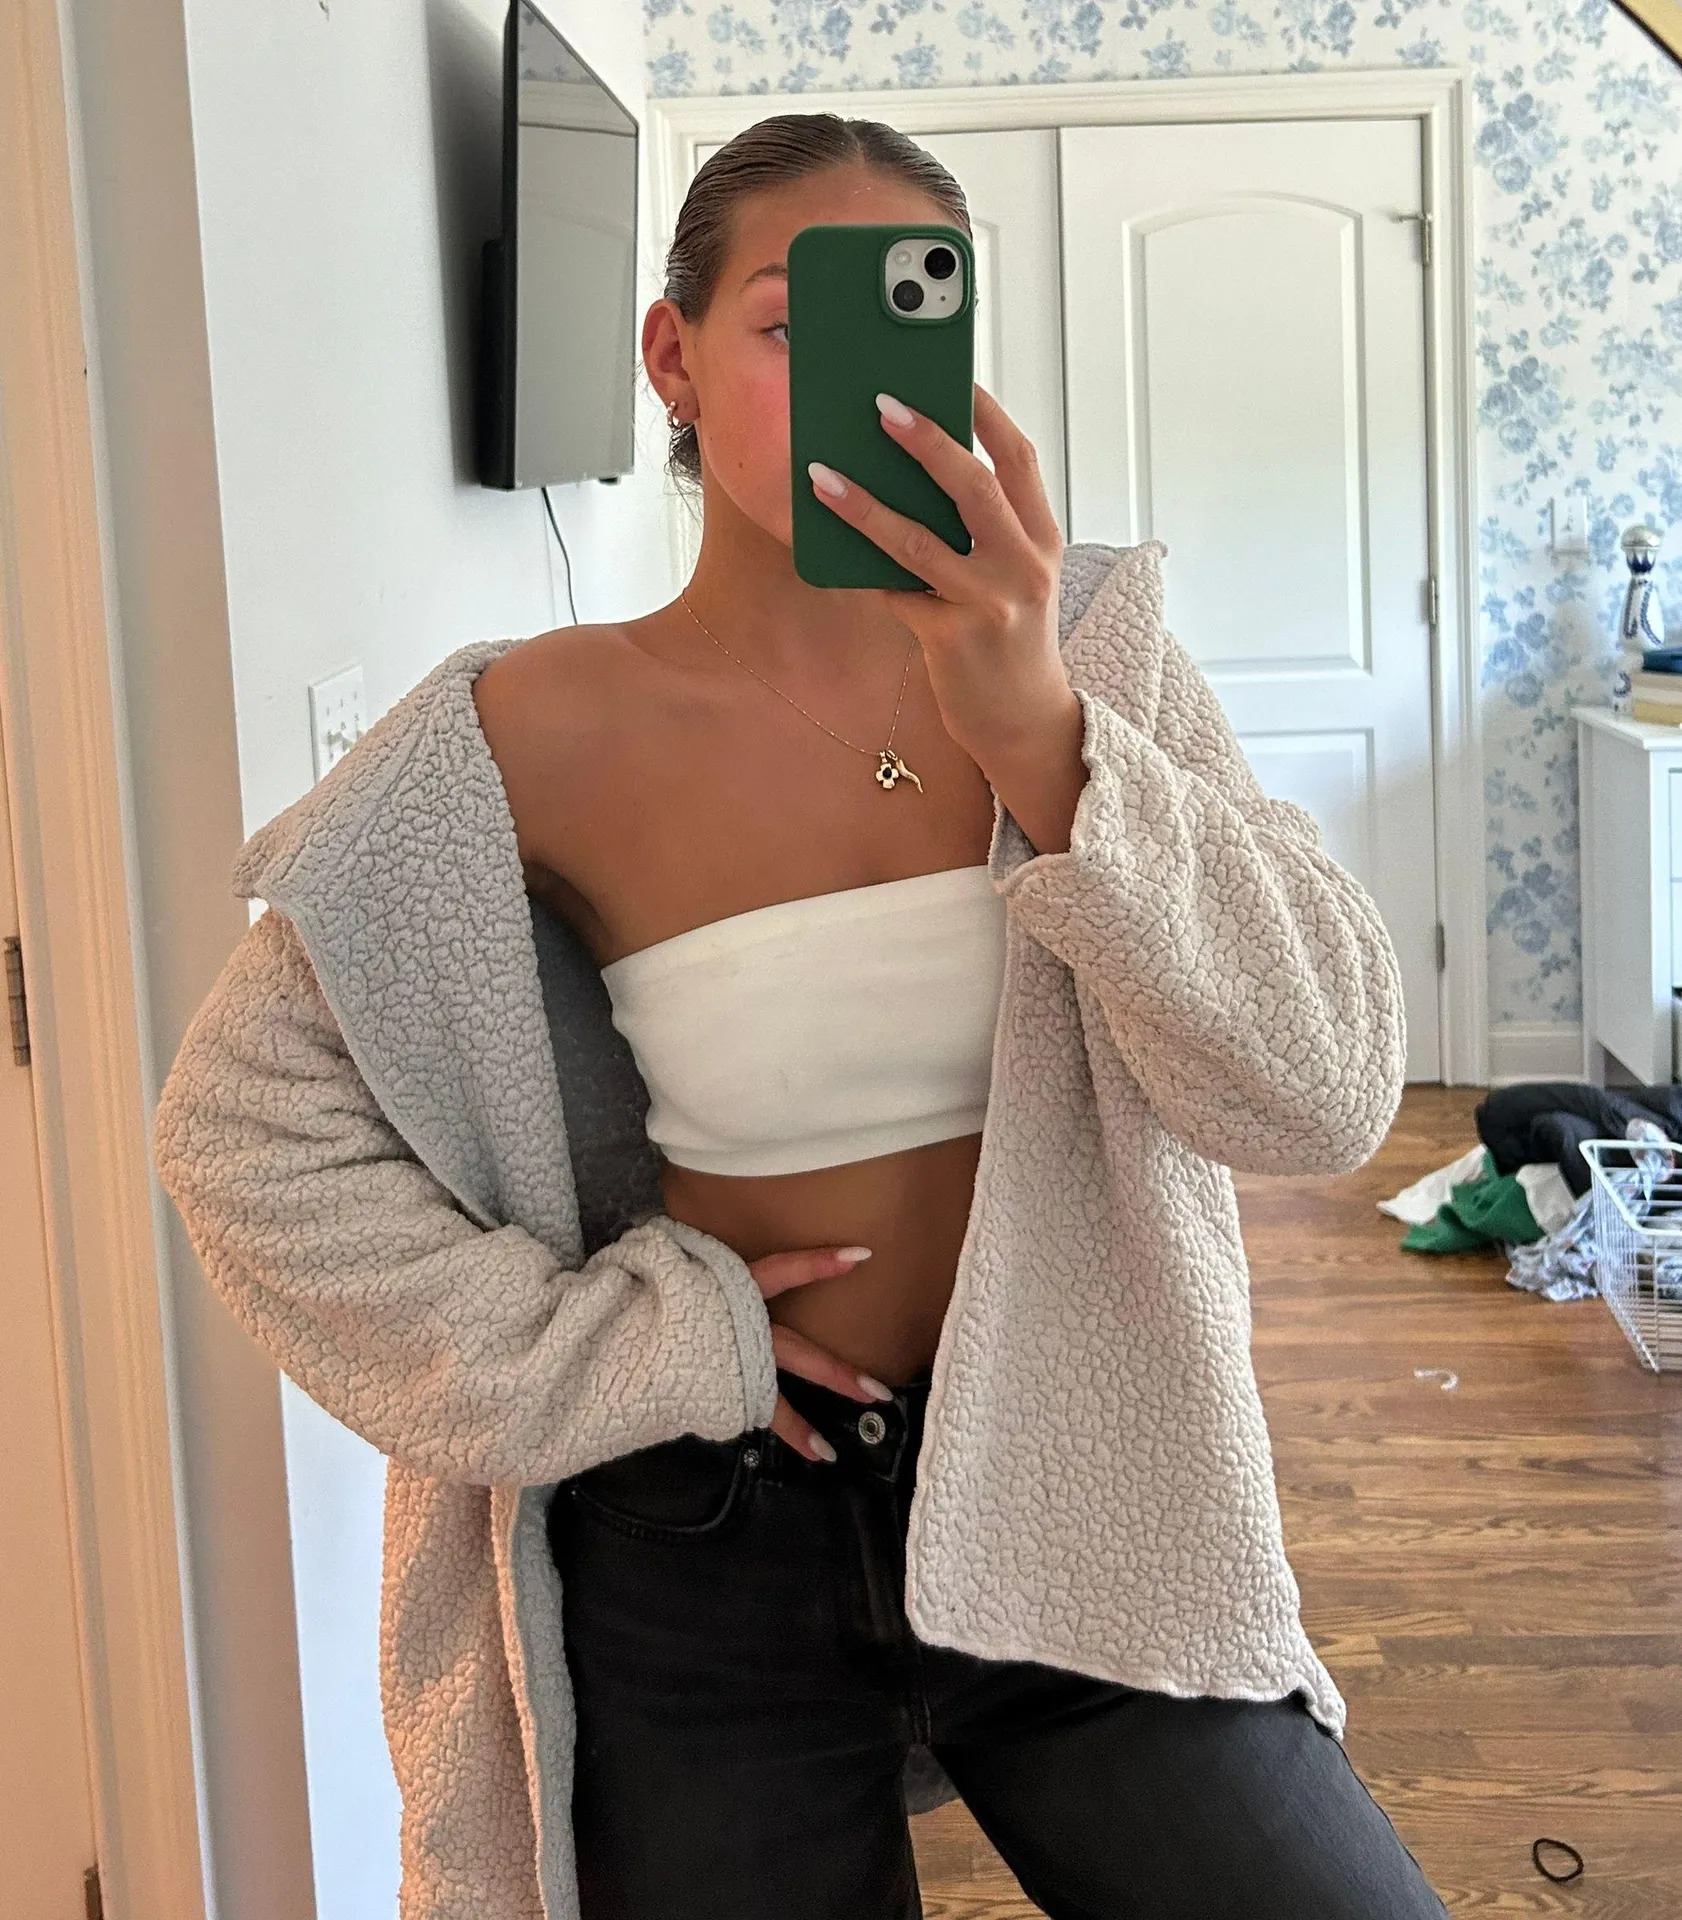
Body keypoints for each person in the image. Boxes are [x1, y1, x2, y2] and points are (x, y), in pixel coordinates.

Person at [154, 113, 1446, 1920]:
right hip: (702, 1541)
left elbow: (1317, 1096)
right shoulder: (526, 733)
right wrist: (625, 1350)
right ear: (671, 357)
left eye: (917, 316)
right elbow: (238, 1131)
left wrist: (1043, 737)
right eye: (788, 322)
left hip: (1089, 1500)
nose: (865, 377)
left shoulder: (1091, 649)